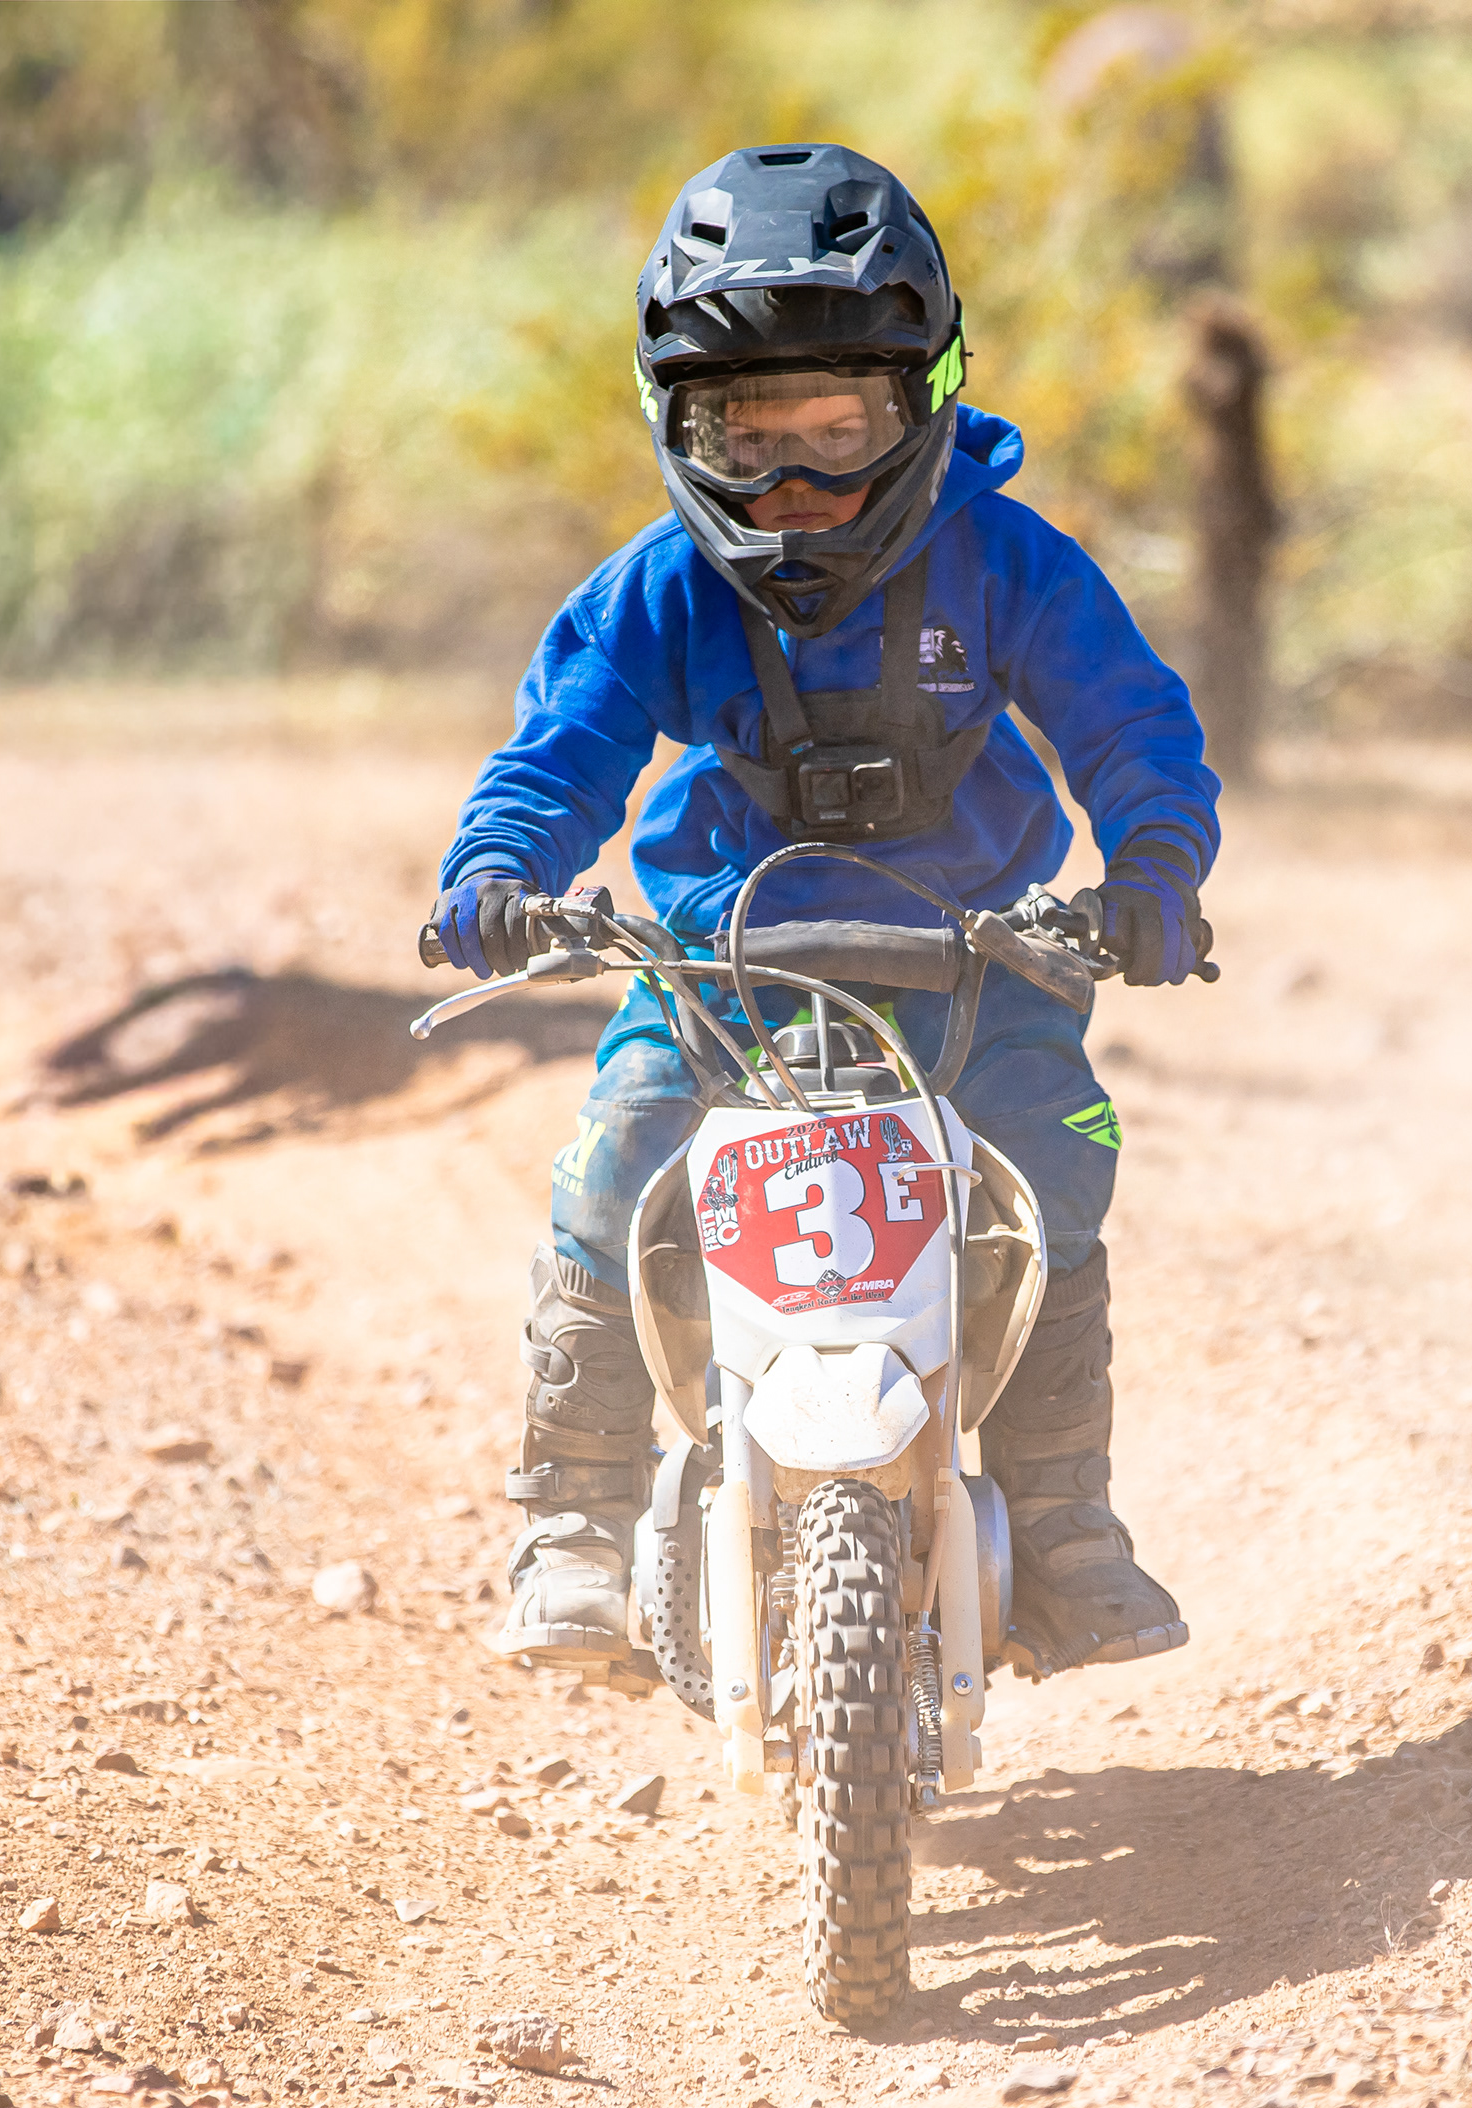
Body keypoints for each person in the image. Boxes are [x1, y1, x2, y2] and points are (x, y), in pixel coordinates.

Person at [427, 140, 1220, 1688]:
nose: (792, 482)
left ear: (921, 400)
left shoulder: (1010, 564)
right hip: (713, 975)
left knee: (1055, 1172)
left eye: (836, 431)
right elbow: (557, 753)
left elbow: (1134, 725)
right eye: (748, 433)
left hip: (980, 969)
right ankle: (574, 1524)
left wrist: (1152, 877)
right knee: (610, 1175)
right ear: (679, 422)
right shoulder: (660, 588)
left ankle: (1065, 1518)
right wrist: (499, 877)